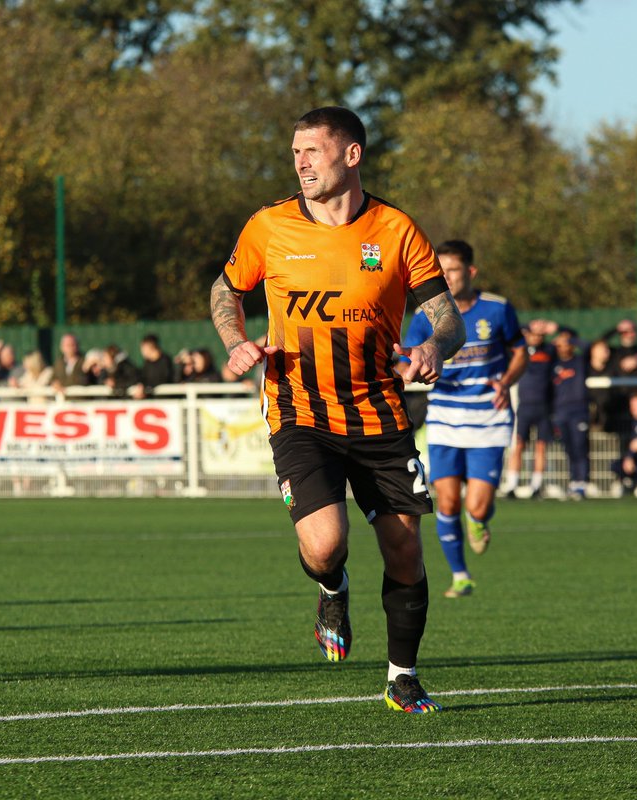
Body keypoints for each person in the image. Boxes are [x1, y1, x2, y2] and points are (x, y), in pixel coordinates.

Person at [209, 106, 464, 714]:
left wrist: (432, 346)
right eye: (294, 152)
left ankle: (402, 676)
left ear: (351, 156)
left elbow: (448, 319)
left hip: (379, 412)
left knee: (404, 548)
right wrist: (235, 340)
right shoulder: (269, 227)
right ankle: (332, 588)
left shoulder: (396, 230)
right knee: (325, 545)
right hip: (300, 409)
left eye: (312, 151)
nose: (299, 163)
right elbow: (225, 289)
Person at [401, 240, 525, 599]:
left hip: (489, 418)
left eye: (452, 270)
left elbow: (521, 353)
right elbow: (407, 358)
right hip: (445, 417)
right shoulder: (426, 317)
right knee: (448, 502)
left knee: (476, 506)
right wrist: (407, 367)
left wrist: (505, 381)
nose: (446, 278)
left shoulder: (497, 310)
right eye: (441, 271)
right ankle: (460, 576)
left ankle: (480, 519)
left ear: (470, 272)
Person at [500, 319, 557, 499]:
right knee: (518, 445)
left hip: (544, 407)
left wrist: (553, 329)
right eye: (534, 333)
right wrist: (529, 327)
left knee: (541, 447)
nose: (537, 337)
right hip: (524, 407)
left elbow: (573, 339)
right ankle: (512, 484)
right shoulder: (519, 352)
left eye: (541, 335)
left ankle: (536, 485)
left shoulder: (549, 351)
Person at [550, 327, 592, 499]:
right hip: (560, 412)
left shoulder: (579, 361)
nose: (564, 345)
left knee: (580, 446)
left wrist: (571, 339)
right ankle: (573, 482)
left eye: (566, 342)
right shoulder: (553, 364)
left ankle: (581, 482)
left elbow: (589, 346)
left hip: (579, 411)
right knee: (568, 448)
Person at [134, 334, 173, 398]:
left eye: (143, 348)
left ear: (150, 346)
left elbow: (163, 380)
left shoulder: (165, 361)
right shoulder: (147, 363)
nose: (141, 351)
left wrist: (146, 388)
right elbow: (142, 378)